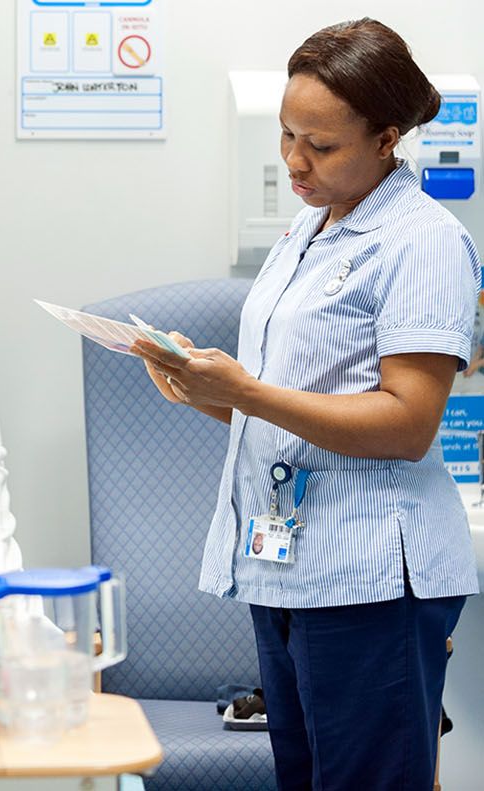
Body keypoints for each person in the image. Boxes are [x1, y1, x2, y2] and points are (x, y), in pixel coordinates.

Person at [132, 20, 477, 790]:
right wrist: (209, 391)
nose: (294, 161)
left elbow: (409, 423)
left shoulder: (422, 242)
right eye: (288, 136)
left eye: (320, 146)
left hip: (372, 581)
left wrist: (247, 391)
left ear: (388, 138)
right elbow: (300, 410)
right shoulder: (307, 229)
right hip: (289, 568)